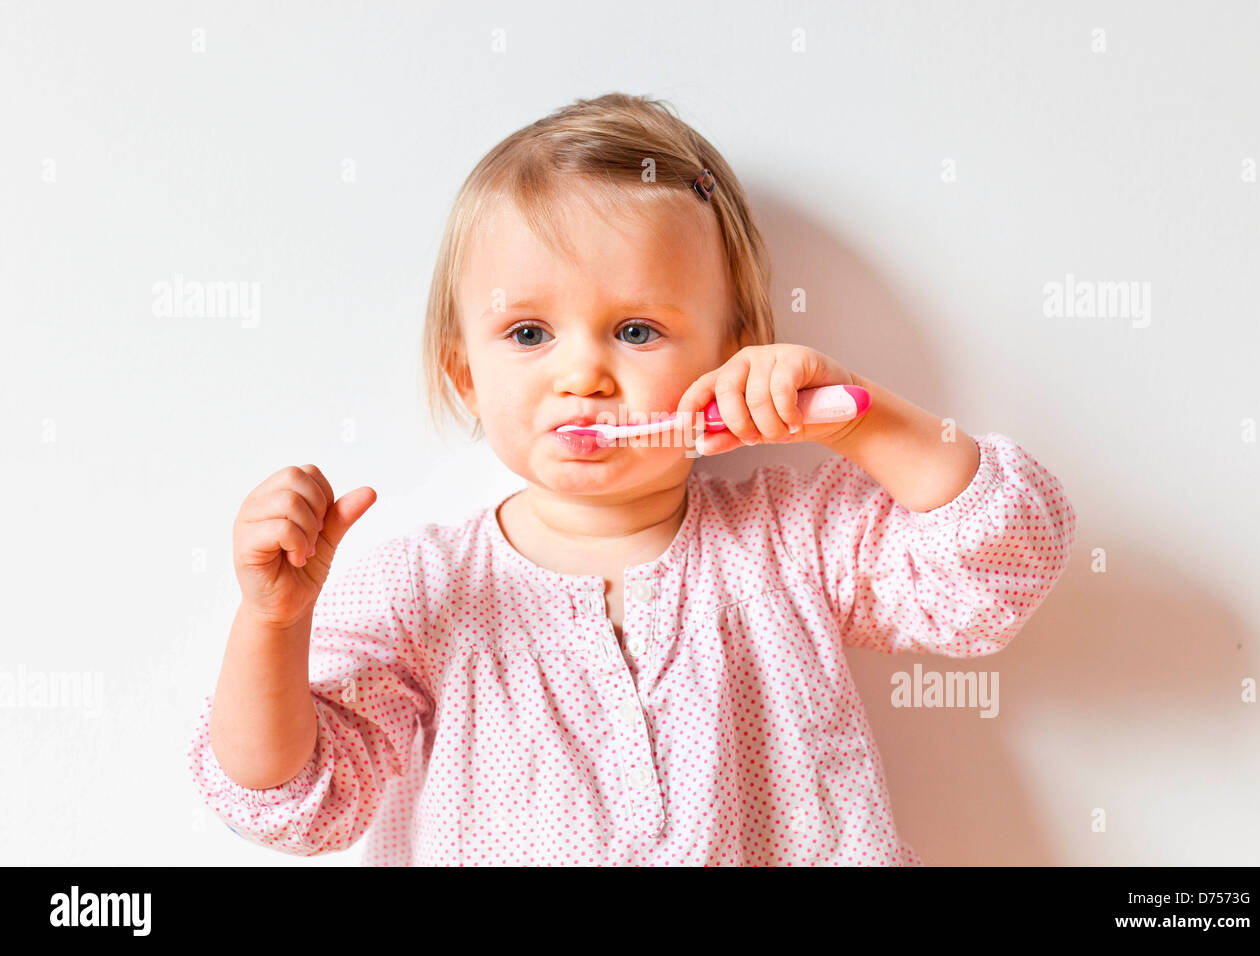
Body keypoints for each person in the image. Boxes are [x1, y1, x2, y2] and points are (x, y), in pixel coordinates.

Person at [187, 92, 1077, 865]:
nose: (583, 376)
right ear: (468, 378)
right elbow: (291, 801)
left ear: (731, 360)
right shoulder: (423, 592)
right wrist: (273, 621)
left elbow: (1001, 560)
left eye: (638, 331)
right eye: (529, 335)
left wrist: (855, 414)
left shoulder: (792, 541)